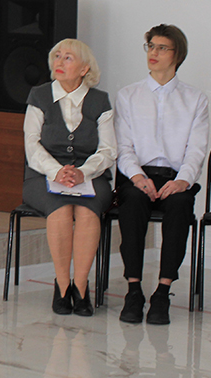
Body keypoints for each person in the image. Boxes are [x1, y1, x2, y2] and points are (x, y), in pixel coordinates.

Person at [114, 24, 209, 325]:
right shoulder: (128, 95)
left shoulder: (196, 99)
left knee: (181, 205)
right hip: (138, 176)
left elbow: (197, 149)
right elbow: (123, 147)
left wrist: (182, 180)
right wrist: (136, 176)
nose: (153, 53)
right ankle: (133, 290)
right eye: (150, 46)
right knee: (132, 202)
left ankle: (162, 292)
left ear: (177, 54)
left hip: (176, 177)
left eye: (161, 48)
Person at [23, 38, 116, 316]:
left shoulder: (100, 101)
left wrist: (82, 172)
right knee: (61, 209)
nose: (59, 62)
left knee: (87, 212)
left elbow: (108, 150)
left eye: (68, 58)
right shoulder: (39, 96)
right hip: (42, 175)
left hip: (91, 175)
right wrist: (56, 171)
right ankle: (62, 286)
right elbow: (31, 144)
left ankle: (81, 286)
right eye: (57, 56)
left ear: (85, 69)